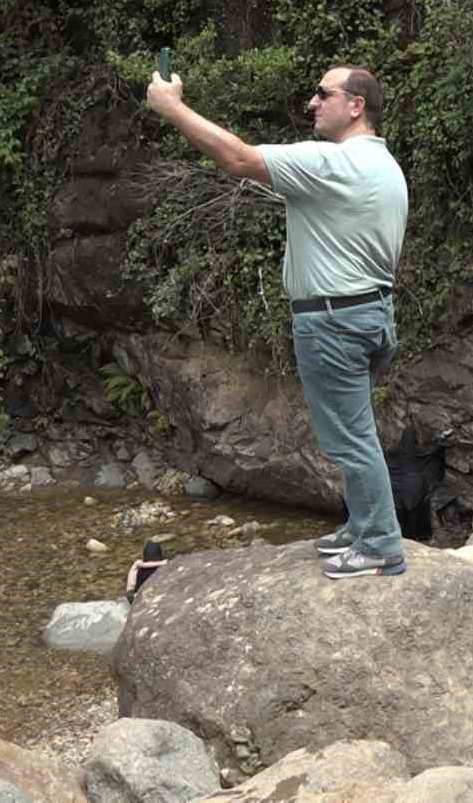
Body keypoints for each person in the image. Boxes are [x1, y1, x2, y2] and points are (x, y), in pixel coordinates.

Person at [147, 64, 408, 579]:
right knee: (355, 430)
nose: (311, 102)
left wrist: (172, 108)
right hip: (371, 315)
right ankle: (362, 527)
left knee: (350, 437)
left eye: (322, 93)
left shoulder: (334, 163)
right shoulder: (384, 166)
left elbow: (238, 157)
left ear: (356, 105)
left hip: (333, 320)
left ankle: (379, 544)